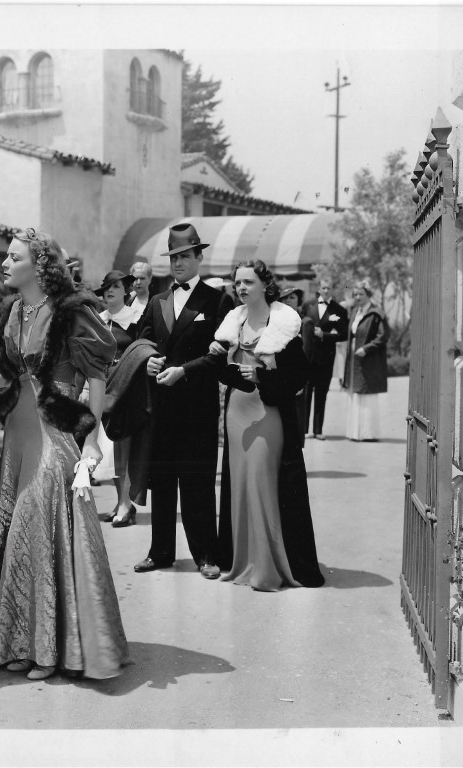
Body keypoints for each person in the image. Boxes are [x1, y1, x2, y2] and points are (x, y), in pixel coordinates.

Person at [0, 228, 129, 681]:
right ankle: (19, 644)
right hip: (18, 436)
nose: (4, 264)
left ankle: (49, 649)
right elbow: (9, 375)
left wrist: (91, 439)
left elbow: (96, 378)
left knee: (34, 533)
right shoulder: (12, 310)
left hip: (55, 433)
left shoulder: (70, 312)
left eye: (13, 257)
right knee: (14, 537)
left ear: (40, 266)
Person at [210, 260, 325, 592]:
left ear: (264, 285)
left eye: (248, 282)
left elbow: (300, 375)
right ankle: (243, 560)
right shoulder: (233, 321)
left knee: (262, 482)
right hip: (237, 411)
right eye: (238, 283)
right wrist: (218, 354)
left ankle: (267, 566)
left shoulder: (284, 323)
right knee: (240, 483)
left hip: (268, 411)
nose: (241, 288)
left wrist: (262, 375)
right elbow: (222, 370)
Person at [133, 222, 234, 579]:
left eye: (185, 256)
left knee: (198, 483)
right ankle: (160, 552)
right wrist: (148, 361)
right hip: (161, 408)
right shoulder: (158, 300)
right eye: (173, 257)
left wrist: (184, 370)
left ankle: (205, 555)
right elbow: (141, 342)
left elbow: (221, 356)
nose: (178, 263)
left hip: (197, 408)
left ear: (199, 257)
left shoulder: (218, 300)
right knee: (161, 483)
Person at [94, 270, 139, 526]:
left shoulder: (136, 319)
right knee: (108, 449)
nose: (110, 291)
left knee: (123, 449)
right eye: (107, 287)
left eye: (116, 286)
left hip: (127, 390)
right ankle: (120, 501)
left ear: (126, 291)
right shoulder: (98, 320)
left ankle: (126, 503)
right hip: (103, 389)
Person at [301, 278, 349, 440]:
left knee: (321, 394)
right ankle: (303, 430)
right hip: (307, 357)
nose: (326, 291)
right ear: (319, 289)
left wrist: (325, 335)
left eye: (329, 288)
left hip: (326, 358)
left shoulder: (339, 310)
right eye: (324, 288)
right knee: (306, 394)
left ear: (333, 290)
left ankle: (318, 430)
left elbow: (344, 335)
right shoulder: (308, 305)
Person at [345, 279, 390, 442]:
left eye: (361, 294)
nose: (358, 297)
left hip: (368, 359)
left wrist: (366, 348)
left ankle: (368, 433)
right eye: (355, 294)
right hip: (354, 358)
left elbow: (383, 336)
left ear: (368, 295)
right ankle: (355, 433)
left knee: (367, 395)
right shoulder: (355, 312)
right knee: (356, 393)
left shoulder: (377, 313)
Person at [278, 286, 313, 449]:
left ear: (299, 301)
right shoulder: (276, 321)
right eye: (285, 298)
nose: (288, 301)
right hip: (279, 377)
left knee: (297, 417)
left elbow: (307, 355)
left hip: (296, 380)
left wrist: (300, 383)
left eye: (292, 298)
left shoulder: (305, 323)